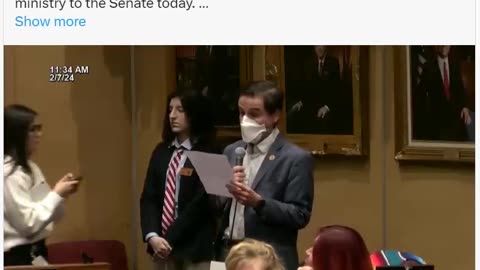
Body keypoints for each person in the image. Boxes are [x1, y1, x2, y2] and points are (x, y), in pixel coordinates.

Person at [216, 80, 314, 270]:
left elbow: (300, 215)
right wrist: (223, 191)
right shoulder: (231, 150)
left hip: (268, 260)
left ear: (275, 115)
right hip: (227, 254)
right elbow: (215, 207)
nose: (245, 120)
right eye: (241, 113)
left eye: (254, 114)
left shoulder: (296, 158)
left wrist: (259, 202)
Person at [140, 89, 218, 270]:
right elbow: (149, 198)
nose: (172, 116)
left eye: (180, 110)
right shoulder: (161, 151)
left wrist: (168, 239)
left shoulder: (211, 151)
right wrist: (152, 236)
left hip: (196, 252)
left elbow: (203, 204)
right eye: (170, 110)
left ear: (195, 113)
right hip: (161, 249)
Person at [4, 104, 80, 266]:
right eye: (33, 129)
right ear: (17, 134)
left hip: (37, 252)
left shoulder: (31, 168)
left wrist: (61, 194)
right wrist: (56, 194)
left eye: (40, 128)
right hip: (16, 258)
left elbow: (49, 217)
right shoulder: (8, 174)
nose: (40, 134)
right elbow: (28, 224)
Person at [417, 45, 471, 141]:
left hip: (456, 119)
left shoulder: (455, 65)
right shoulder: (428, 67)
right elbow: (420, 97)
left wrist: (465, 107)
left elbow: (460, 89)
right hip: (438, 121)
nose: (444, 46)